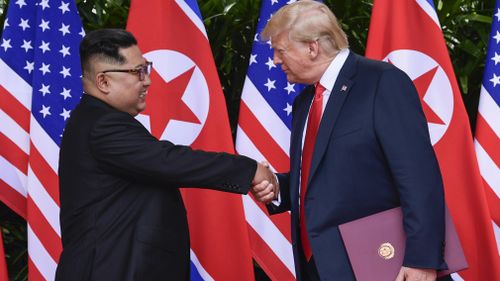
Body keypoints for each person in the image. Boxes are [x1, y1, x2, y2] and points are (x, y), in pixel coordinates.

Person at [56, 28, 276, 281]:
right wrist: (249, 170)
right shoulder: (102, 125)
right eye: (137, 72)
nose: (147, 80)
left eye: (146, 68)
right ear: (104, 81)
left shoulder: (96, 119)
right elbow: (169, 161)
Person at [251, 1, 450, 281]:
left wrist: (422, 259)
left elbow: (418, 177)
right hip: (319, 266)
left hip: (382, 264)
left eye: (280, 50)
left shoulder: (382, 82)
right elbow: (326, 177)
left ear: (312, 47)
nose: (274, 60)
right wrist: (278, 187)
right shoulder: (305, 101)